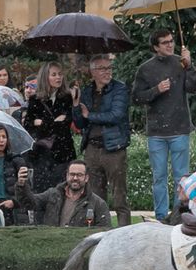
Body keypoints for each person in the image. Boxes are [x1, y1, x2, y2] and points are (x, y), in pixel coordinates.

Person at [131, 28, 196, 220]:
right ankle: (161, 216)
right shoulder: (145, 69)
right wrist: (156, 90)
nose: (170, 44)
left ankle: (178, 215)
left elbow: (194, 88)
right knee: (159, 177)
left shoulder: (181, 63)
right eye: (165, 42)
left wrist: (190, 65)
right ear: (155, 46)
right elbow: (136, 98)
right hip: (156, 132)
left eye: (171, 41)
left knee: (181, 178)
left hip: (180, 128)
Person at [77, 54, 131, 228]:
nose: (107, 72)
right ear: (92, 72)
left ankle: (124, 233)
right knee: (94, 197)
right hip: (92, 148)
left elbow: (116, 115)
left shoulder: (119, 89)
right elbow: (80, 123)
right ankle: (99, 232)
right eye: (102, 68)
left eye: (109, 68)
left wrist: (90, 115)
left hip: (114, 148)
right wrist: (75, 104)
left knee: (119, 197)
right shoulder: (86, 91)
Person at [23, 61, 77, 192]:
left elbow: (65, 124)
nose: (58, 77)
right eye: (54, 75)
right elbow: (28, 125)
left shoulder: (66, 97)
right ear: (45, 77)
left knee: (63, 191)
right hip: (42, 153)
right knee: (43, 192)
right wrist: (53, 123)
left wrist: (42, 123)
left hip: (63, 151)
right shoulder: (35, 99)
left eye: (60, 74)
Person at [19, 160, 112, 228]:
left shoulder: (98, 203)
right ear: (67, 176)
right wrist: (21, 185)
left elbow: (104, 232)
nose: (75, 178)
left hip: (80, 250)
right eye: (72, 174)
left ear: (86, 178)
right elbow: (29, 203)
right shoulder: (52, 194)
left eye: (79, 175)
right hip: (53, 246)